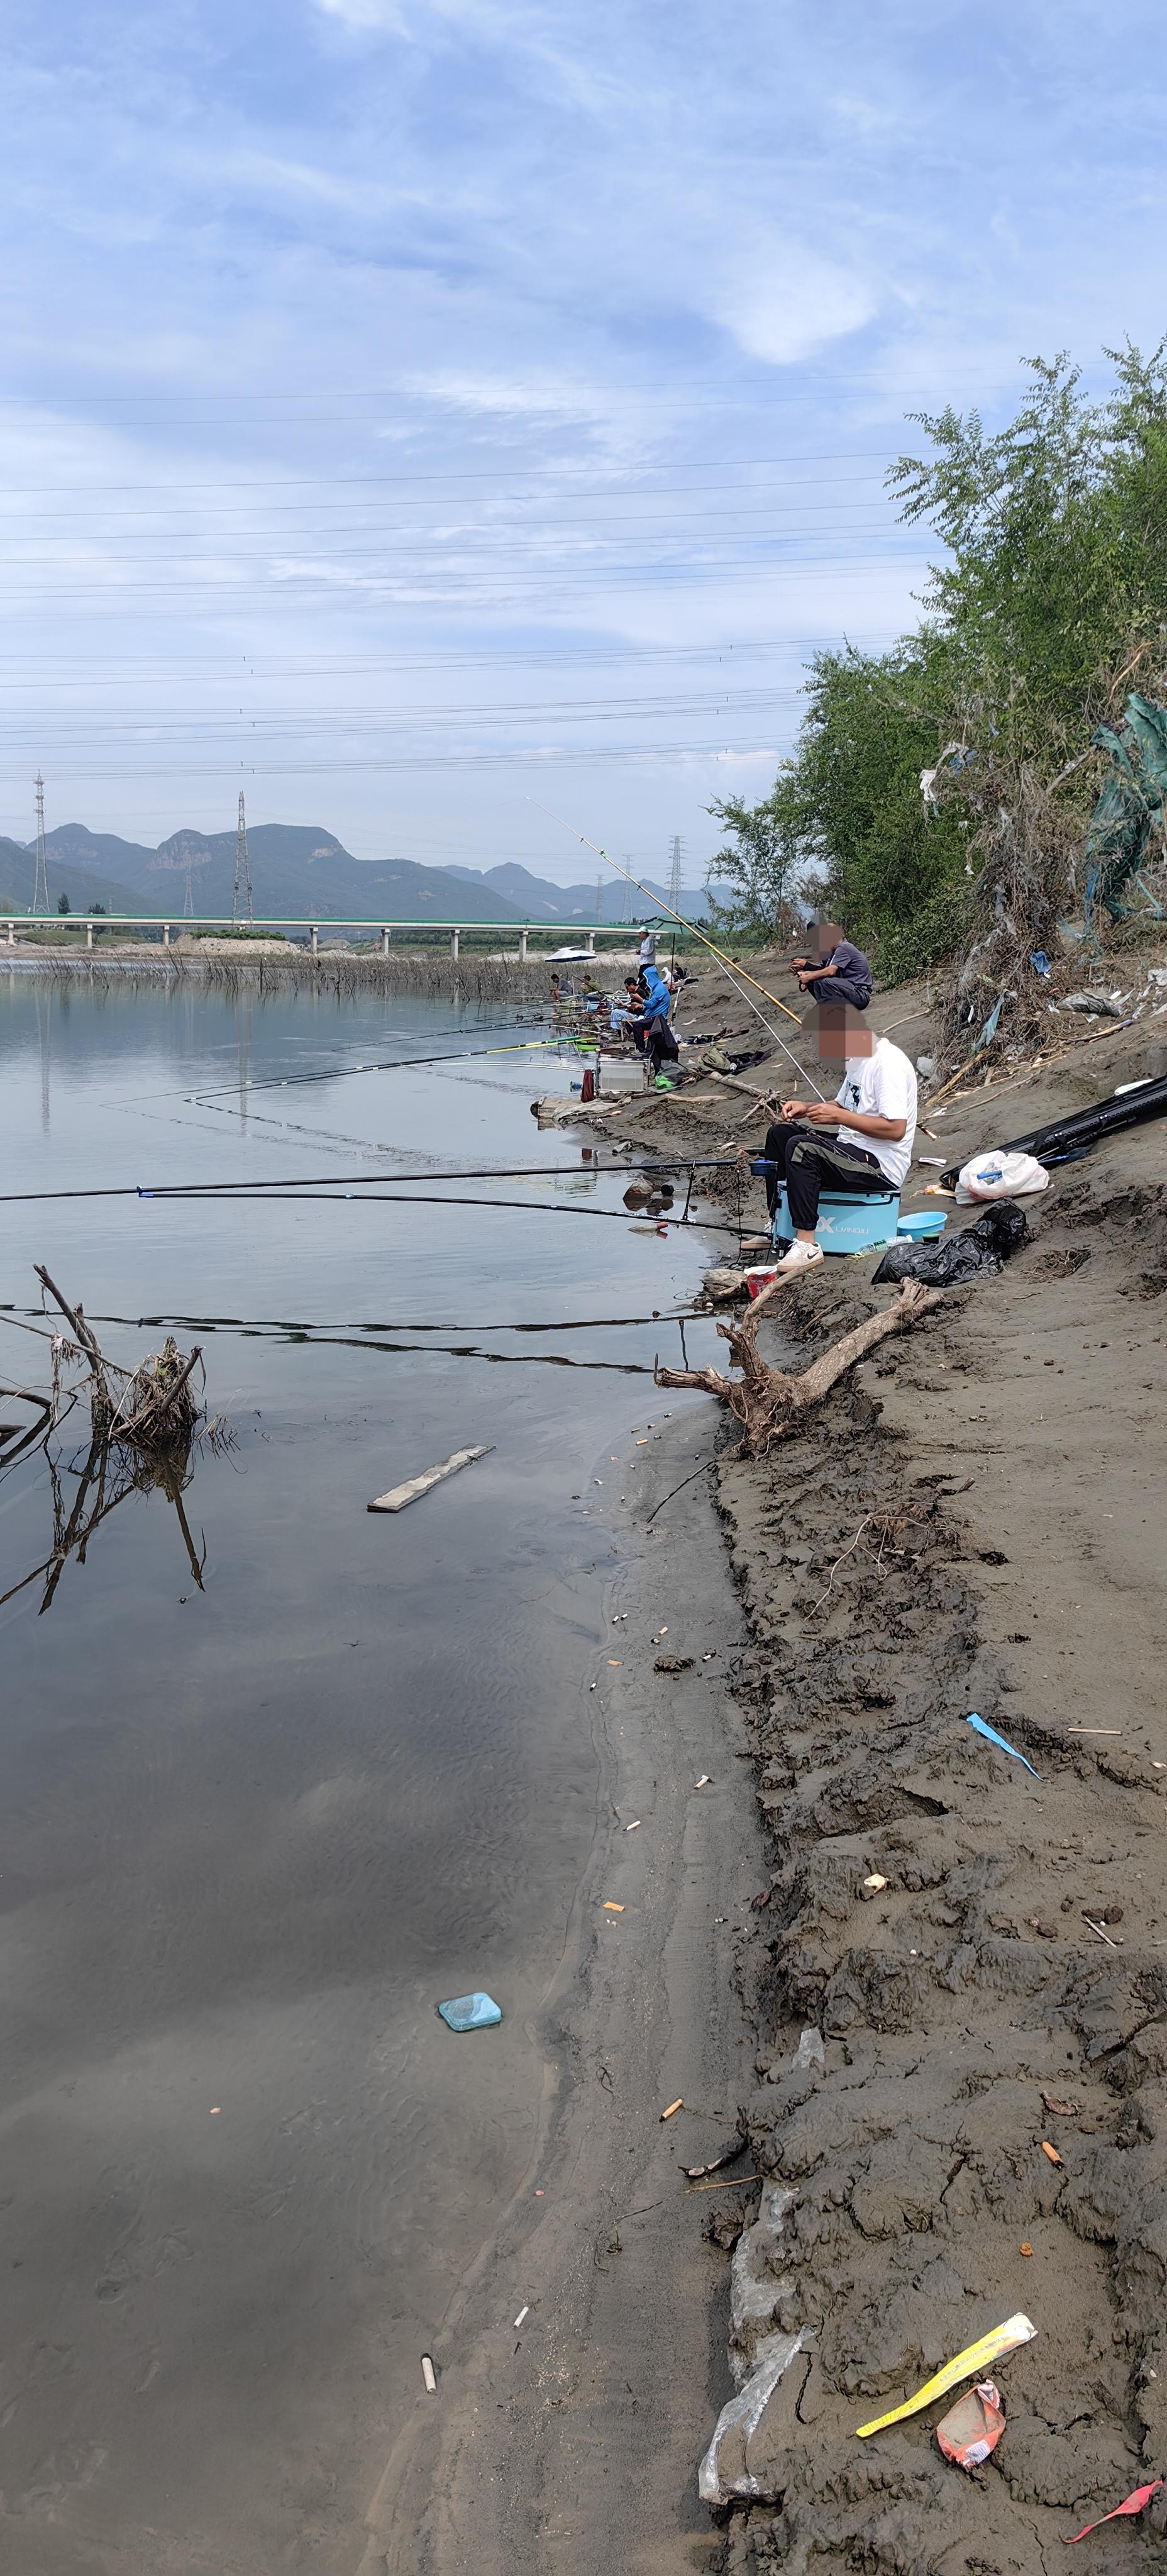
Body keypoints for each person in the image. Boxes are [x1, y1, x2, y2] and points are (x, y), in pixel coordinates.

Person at [760, 1010, 916, 1274]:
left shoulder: (887, 1065)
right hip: (853, 1150)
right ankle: (777, 1225)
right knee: (781, 1134)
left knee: (802, 1148)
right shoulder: (859, 1059)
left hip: (880, 1166)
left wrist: (840, 1116)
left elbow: (896, 1129)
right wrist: (808, 1107)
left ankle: (807, 1244)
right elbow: (843, 1105)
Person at [792, 921, 872, 1011]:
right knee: (816, 981)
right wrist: (806, 970)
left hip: (860, 994)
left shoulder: (844, 948)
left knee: (825, 982)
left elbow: (830, 972)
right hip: (848, 990)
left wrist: (809, 975)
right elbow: (823, 971)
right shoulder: (831, 953)